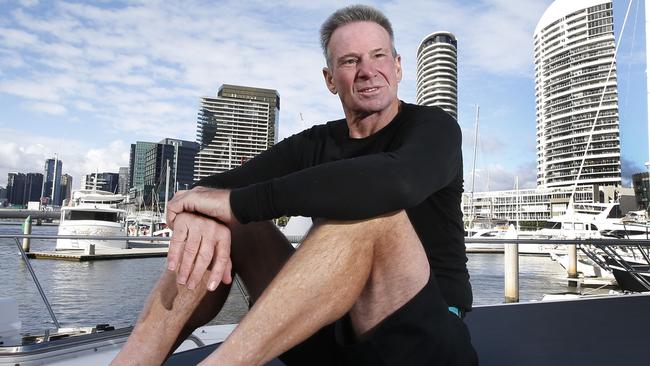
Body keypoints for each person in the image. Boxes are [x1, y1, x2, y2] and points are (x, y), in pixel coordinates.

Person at [112, 4, 477, 365]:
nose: (368, 71)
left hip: (417, 342)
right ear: (330, 79)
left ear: (397, 67)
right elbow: (212, 188)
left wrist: (237, 203)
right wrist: (195, 210)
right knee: (220, 220)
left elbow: (399, 181)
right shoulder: (314, 143)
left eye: (378, 56)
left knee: (372, 212)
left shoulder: (434, 129)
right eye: (350, 61)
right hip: (323, 332)